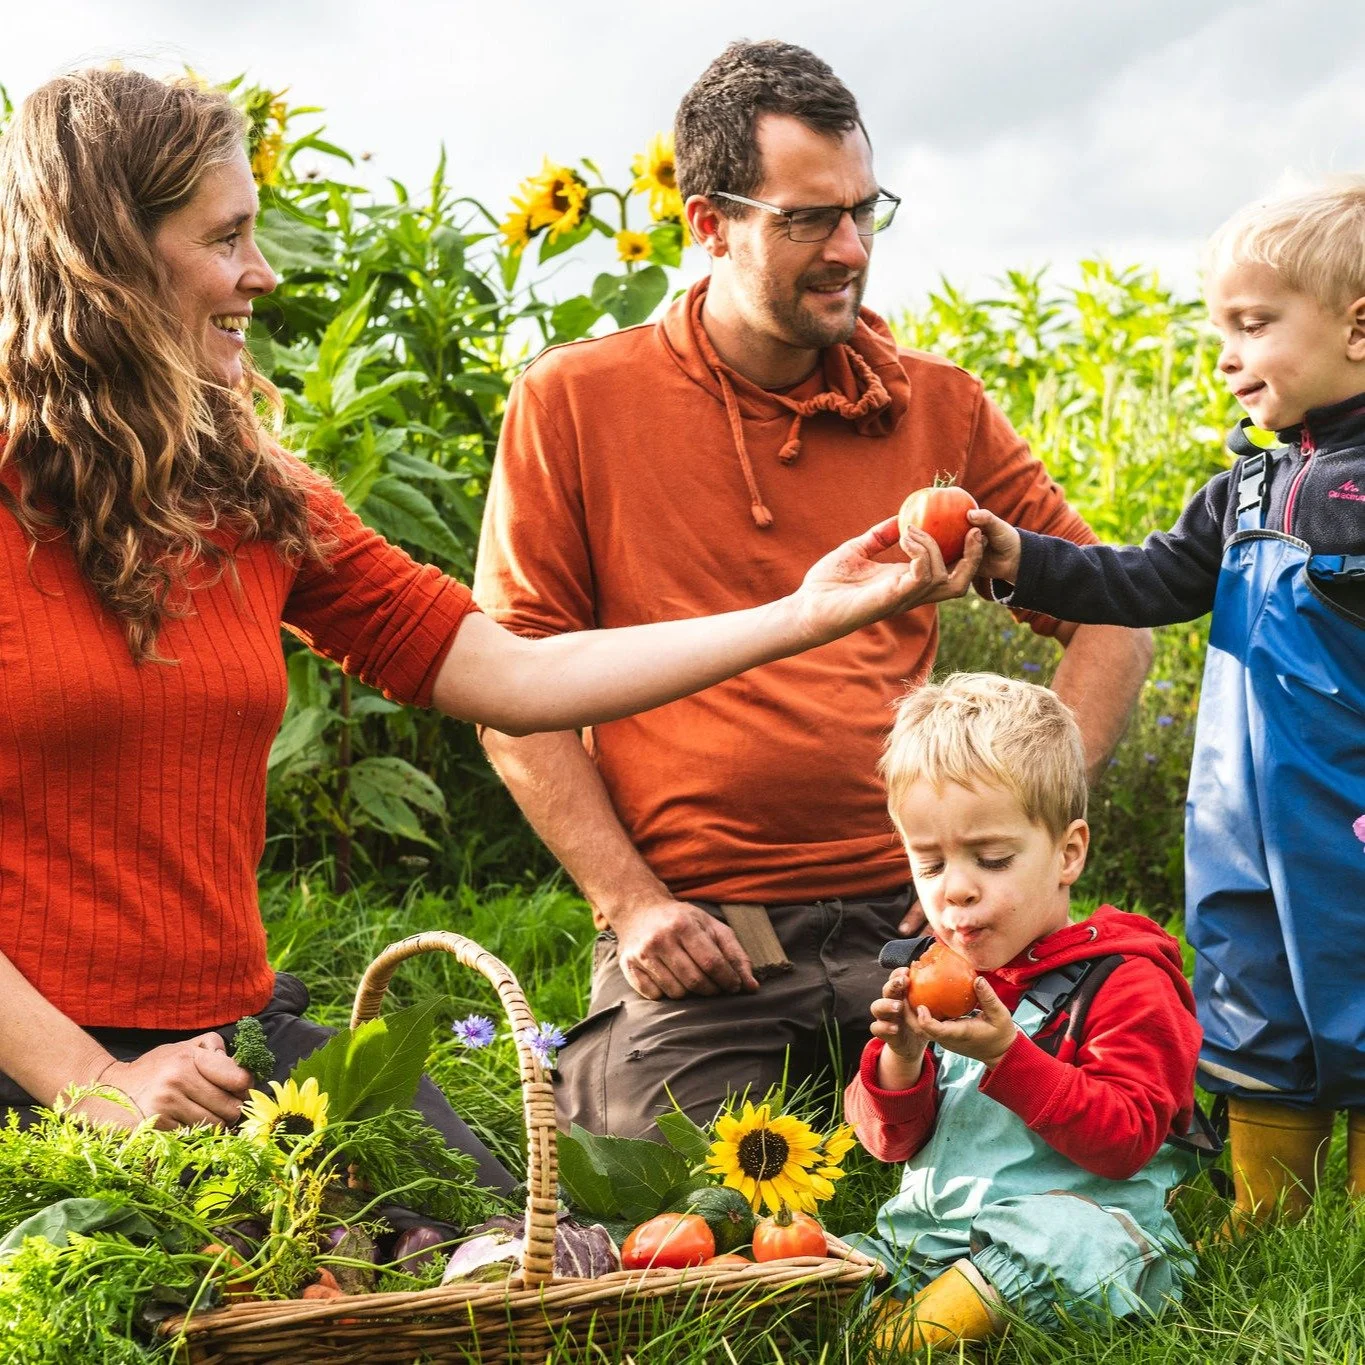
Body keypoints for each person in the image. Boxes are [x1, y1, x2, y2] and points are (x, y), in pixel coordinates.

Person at [0, 67, 975, 1178]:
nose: (261, 276)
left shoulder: (252, 499)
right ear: (110, 259)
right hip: (40, 1065)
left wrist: (802, 616)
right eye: (226, 240)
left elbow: (512, 675)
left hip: (223, 1048)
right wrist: (94, 1087)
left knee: (500, 1249)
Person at [474, 39, 1153, 1140]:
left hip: (933, 918)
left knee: (1088, 1129)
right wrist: (632, 903)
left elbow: (1112, 622)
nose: (850, 249)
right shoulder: (575, 403)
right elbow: (511, 685)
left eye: (864, 212)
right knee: (663, 1182)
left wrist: (1012, 835)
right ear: (709, 222)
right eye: (808, 220)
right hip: (719, 941)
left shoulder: (937, 407)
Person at [971, 178, 1365, 1226]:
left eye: (1255, 324)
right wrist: (1022, 559)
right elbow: (1139, 581)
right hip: (1241, 819)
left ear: (1359, 327)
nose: (1227, 356)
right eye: (1220, 328)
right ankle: (1270, 1207)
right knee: (1249, 988)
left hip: (1351, 814)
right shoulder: (1243, 489)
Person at [844, 674, 1204, 1354]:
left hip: (1080, 1231)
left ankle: (904, 1339)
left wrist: (1009, 1056)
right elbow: (886, 1144)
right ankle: (919, 1312)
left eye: (990, 858)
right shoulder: (940, 974)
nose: (954, 889)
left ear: (1068, 852)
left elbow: (1126, 1140)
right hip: (932, 1243)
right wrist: (900, 1056)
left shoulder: (1123, 981)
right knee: (842, 1259)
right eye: (929, 862)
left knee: (1074, 1244)